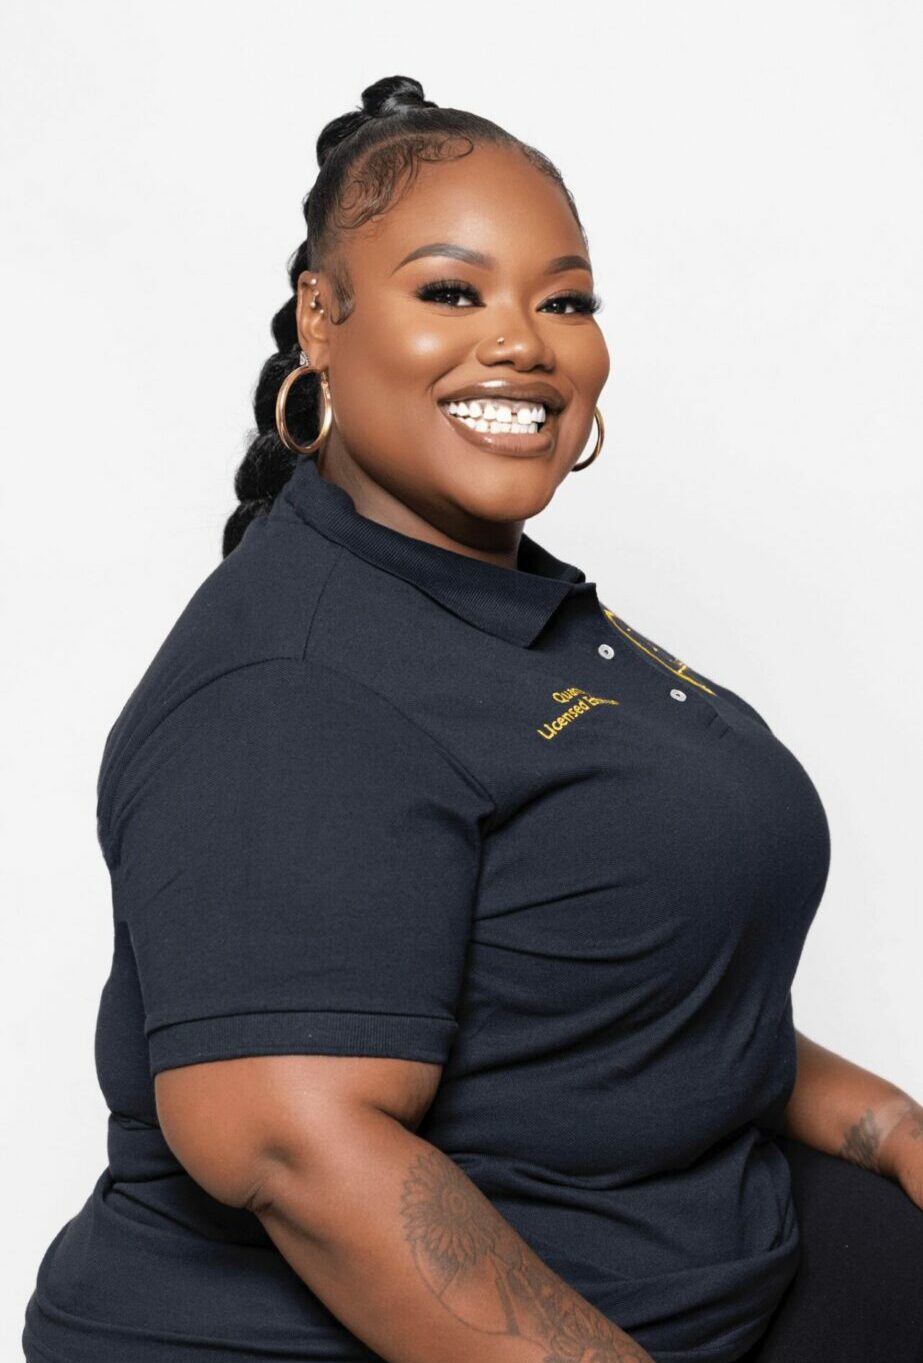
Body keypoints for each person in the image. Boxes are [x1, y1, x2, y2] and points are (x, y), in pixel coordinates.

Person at [21, 74, 923, 1363]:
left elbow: (624, 975)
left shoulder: (509, 607)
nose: (524, 342)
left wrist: (888, 1127)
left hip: (719, 1267)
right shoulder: (293, 684)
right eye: (451, 291)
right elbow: (299, 1146)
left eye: (564, 300)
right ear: (319, 322)